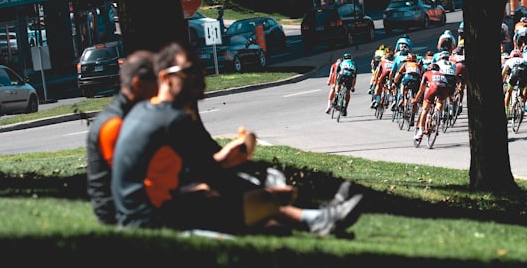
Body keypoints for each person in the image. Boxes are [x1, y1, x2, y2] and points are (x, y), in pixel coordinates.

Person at [111, 41, 363, 236]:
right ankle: (314, 218)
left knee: (227, 196)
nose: (199, 78)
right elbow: (213, 174)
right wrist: (268, 194)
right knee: (231, 196)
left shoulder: (146, 111)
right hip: (151, 219)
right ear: (165, 78)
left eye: (200, 70)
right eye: (189, 72)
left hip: (139, 211)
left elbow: (189, 171)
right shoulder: (173, 120)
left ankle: (312, 219)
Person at [85, 50, 158, 225]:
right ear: (138, 84)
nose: (161, 89)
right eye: (157, 83)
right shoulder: (115, 124)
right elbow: (131, 178)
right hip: (122, 217)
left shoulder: (131, 115)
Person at [413, 61, 451, 144]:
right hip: (445, 88)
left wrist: (416, 99)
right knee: (439, 101)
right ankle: (437, 115)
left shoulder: (427, 73)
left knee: (425, 110)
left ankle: (420, 132)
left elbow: (421, 89)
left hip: (433, 88)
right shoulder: (441, 74)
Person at [325, 52, 357, 116]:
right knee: (347, 92)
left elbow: (337, 74)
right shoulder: (353, 63)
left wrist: (336, 84)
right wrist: (353, 87)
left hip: (342, 74)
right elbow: (354, 76)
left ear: (344, 58)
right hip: (350, 76)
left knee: (337, 86)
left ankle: (336, 96)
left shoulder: (341, 63)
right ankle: (345, 108)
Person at [501, 49, 527, 115]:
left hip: (515, 72)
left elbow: (503, 73)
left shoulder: (509, 60)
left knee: (509, 92)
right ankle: (522, 104)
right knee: (522, 90)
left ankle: (506, 111)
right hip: (524, 73)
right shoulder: (524, 60)